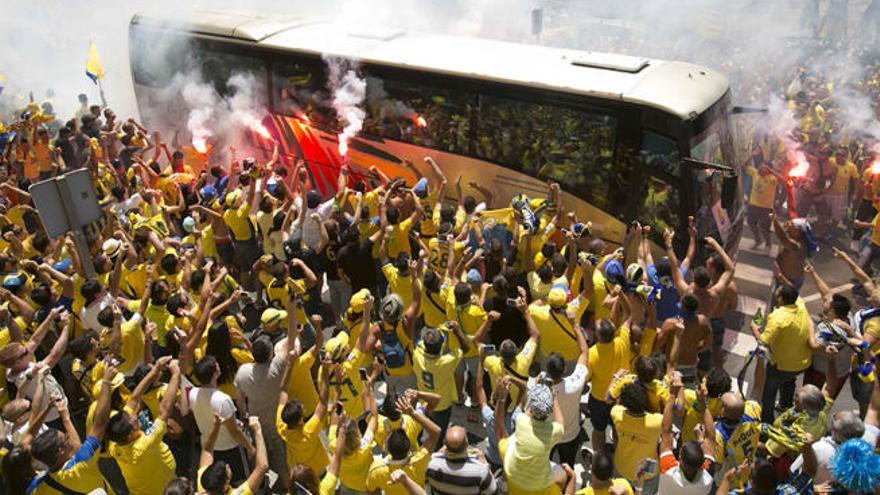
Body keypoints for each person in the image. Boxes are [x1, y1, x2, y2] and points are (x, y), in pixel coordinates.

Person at [27, 363, 115, 494]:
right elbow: (100, 424)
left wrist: (65, 417)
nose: (69, 437)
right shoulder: (81, 465)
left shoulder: (37, 486)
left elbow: (76, 449)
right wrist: (107, 382)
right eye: (66, 438)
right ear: (60, 451)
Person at [105, 358, 182, 495]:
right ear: (130, 434)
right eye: (133, 421)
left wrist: (156, 368)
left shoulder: (115, 444)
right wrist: (175, 374)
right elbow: (164, 411)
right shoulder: (144, 444)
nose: (135, 416)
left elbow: (134, 399)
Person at [751, 284, 817, 423]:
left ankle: (766, 422)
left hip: (781, 366)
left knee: (768, 394)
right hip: (802, 362)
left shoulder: (778, 318)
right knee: (789, 382)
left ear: (780, 299)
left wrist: (754, 329)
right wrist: (780, 275)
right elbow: (794, 290)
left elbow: (764, 342)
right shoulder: (800, 304)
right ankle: (785, 405)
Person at [187, 355, 255, 485]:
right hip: (231, 448)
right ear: (215, 373)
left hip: (210, 448)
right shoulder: (223, 400)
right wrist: (250, 448)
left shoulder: (192, 393)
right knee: (241, 482)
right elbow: (234, 431)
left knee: (220, 483)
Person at [657, 371, 715, 495]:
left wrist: (672, 393)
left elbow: (666, 431)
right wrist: (703, 403)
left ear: (679, 458)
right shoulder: (707, 477)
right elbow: (710, 439)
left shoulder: (668, 469)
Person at [611, 382, 663, 493]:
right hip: (647, 472)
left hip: (622, 467)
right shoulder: (657, 422)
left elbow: (617, 404)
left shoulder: (616, 414)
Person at [425, 425, 497, 495]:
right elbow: (493, 491)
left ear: (445, 444)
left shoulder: (430, 463)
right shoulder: (481, 471)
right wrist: (485, 463)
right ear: (467, 444)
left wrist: (439, 452)